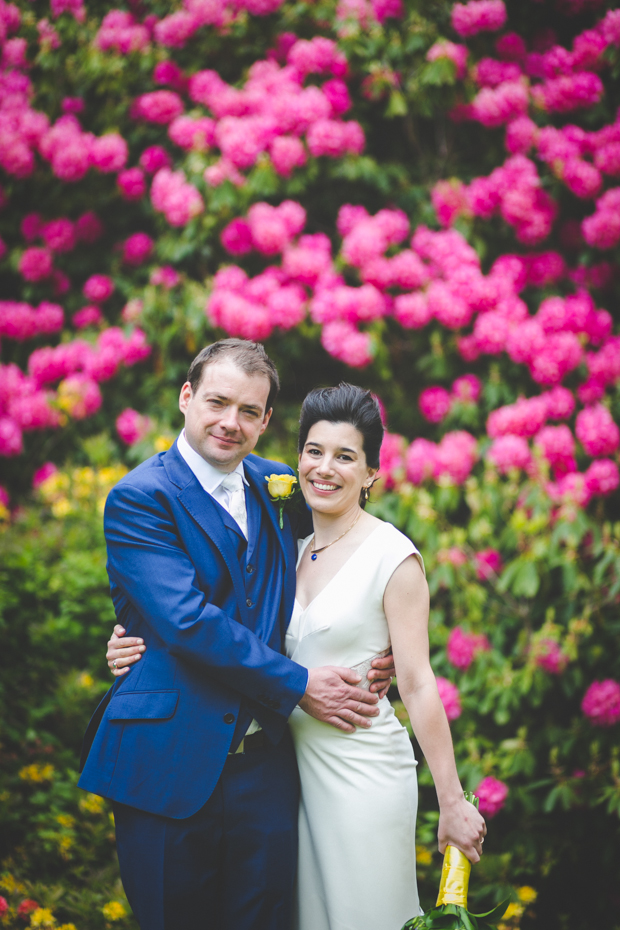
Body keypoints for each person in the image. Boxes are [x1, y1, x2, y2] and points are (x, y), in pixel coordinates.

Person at [108, 380, 487, 930]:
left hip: (361, 771)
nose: (325, 468)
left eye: (346, 457)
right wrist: (130, 638)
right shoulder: (290, 540)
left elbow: (419, 682)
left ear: (372, 473)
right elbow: (200, 612)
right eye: (314, 451)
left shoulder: (393, 557)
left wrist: (451, 801)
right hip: (290, 779)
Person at [78, 340, 395, 930]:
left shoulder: (279, 484)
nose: (231, 422)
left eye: (250, 411)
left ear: (267, 420)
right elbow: (186, 619)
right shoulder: (139, 498)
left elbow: (346, 555)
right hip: (167, 764)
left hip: (265, 766)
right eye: (218, 403)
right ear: (186, 396)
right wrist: (300, 683)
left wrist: (388, 643)